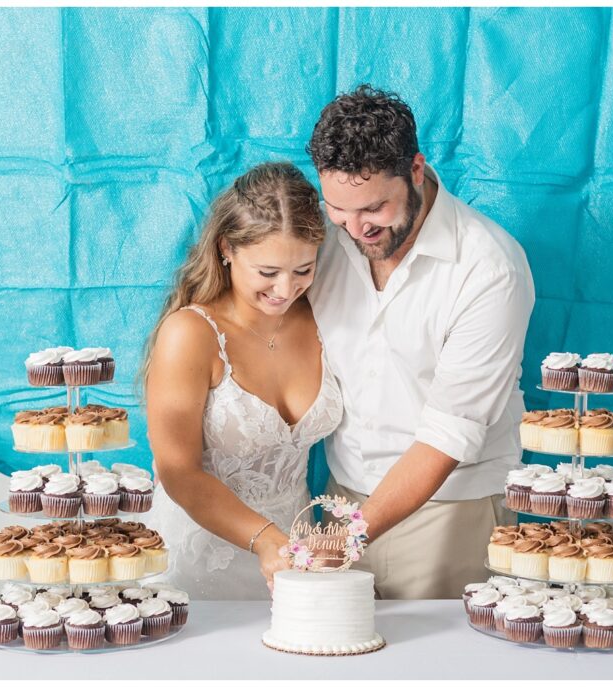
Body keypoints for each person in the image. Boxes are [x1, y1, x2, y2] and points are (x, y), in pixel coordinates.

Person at [305, 85, 535, 599]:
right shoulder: (326, 238)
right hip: (341, 497)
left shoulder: (488, 267)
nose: (355, 228)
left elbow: (450, 432)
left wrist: (352, 534)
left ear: (414, 169)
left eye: (374, 209)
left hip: (451, 510)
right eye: (339, 209)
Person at [141, 161, 343, 600]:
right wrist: (265, 538)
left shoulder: (322, 315)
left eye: (303, 270)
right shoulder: (190, 334)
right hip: (198, 565)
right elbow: (178, 470)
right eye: (267, 273)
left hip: (296, 558)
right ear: (226, 248)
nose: (286, 290)